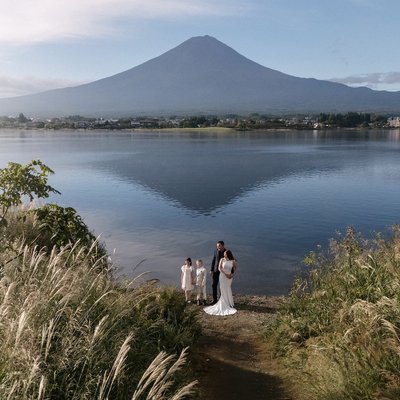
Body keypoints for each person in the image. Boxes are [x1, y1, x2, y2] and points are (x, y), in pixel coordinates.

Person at [204, 250, 237, 316]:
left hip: (230, 276)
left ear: (228, 254)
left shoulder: (233, 261)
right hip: (222, 276)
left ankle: (229, 302)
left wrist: (231, 275)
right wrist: (225, 274)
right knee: (222, 288)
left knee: (228, 287)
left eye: (225, 254)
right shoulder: (222, 259)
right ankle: (224, 302)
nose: (224, 254)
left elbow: (235, 268)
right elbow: (219, 268)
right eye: (224, 253)